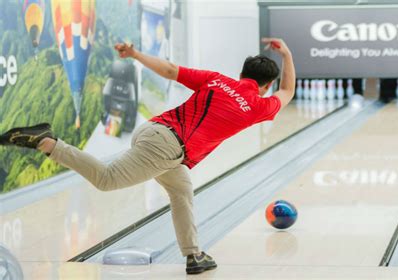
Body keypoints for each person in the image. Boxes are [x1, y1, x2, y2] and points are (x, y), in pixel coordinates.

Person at [0, 37, 295, 274]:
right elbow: (288, 91)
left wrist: (135, 54)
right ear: (265, 85)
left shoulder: (217, 80)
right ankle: (48, 142)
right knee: (107, 179)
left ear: (241, 73)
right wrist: (288, 55)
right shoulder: (260, 106)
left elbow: (169, 70)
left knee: (181, 191)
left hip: (155, 131)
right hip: (168, 148)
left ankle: (194, 256)